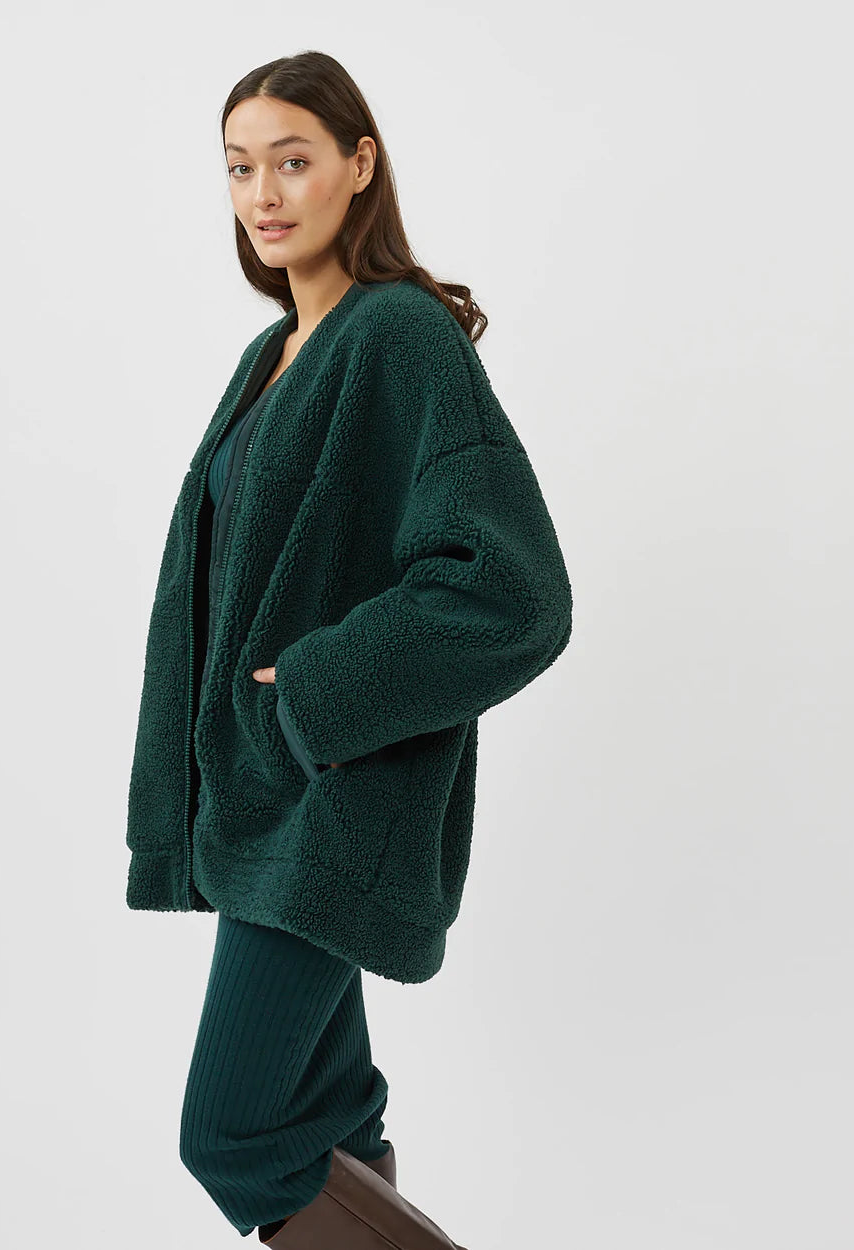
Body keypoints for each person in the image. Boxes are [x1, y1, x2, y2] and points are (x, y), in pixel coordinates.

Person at [125, 50, 573, 1246]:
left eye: (292, 160)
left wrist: (319, 684)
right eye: (239, 168)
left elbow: (516, 591)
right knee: (322, 1118)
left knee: (233, 1132)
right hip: (269, 793)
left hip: (331, 795)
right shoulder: (270, 353)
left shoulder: (400, 336)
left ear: (359, 165)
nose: (263, 194)